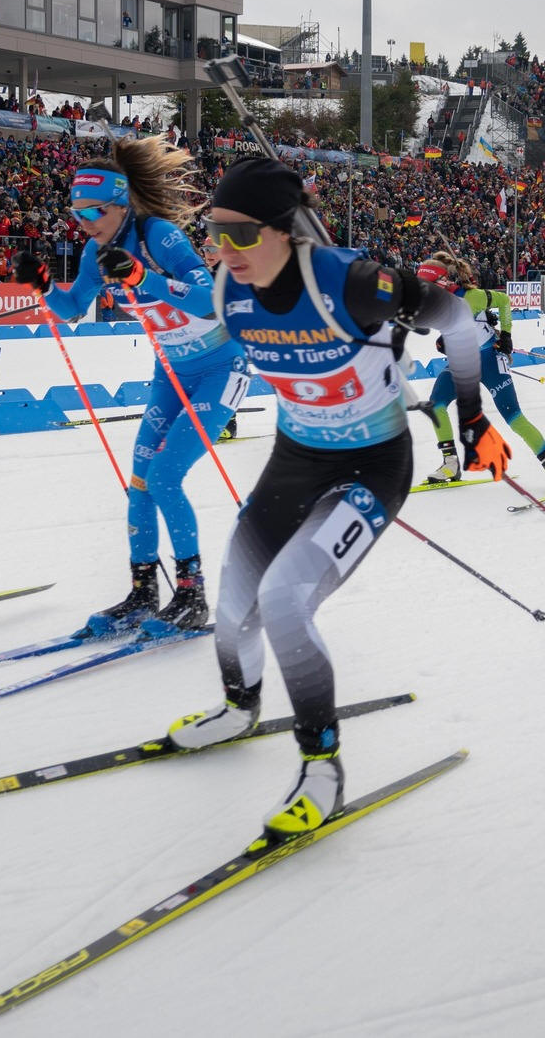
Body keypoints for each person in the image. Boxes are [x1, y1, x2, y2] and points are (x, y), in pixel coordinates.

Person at [165, 156, 507, 840]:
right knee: (234, 602)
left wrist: (472, 415)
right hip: (296, 459)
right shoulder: (227, 286)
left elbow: (459, 320)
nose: (225, 249)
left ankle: (322, 769)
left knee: (284, 601)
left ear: (284, 230)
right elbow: (178, 309)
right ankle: (240, 708)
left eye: (240, 233)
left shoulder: (350, 284)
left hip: (371, 465)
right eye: (215, 232)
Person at [14, 139, 246, 638]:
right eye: (76, 214)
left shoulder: (158, 236)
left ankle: (192, 595)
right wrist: (42, 286)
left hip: (221, 367)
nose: (85, 222)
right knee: (140, 480)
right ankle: (143, 592)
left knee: (165, 476)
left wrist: (144, 277)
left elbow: (210, 300)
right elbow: (71, 309)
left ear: (121, 203)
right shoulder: (94, 253)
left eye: (93, 211)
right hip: (171, 372)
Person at [415, 252, 545, 492]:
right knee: (436, 405)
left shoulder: (471, 297)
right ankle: (450, 464)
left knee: (514, 418)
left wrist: (506, 335)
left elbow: (504, 301)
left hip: (489, 359)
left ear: (442, 283)